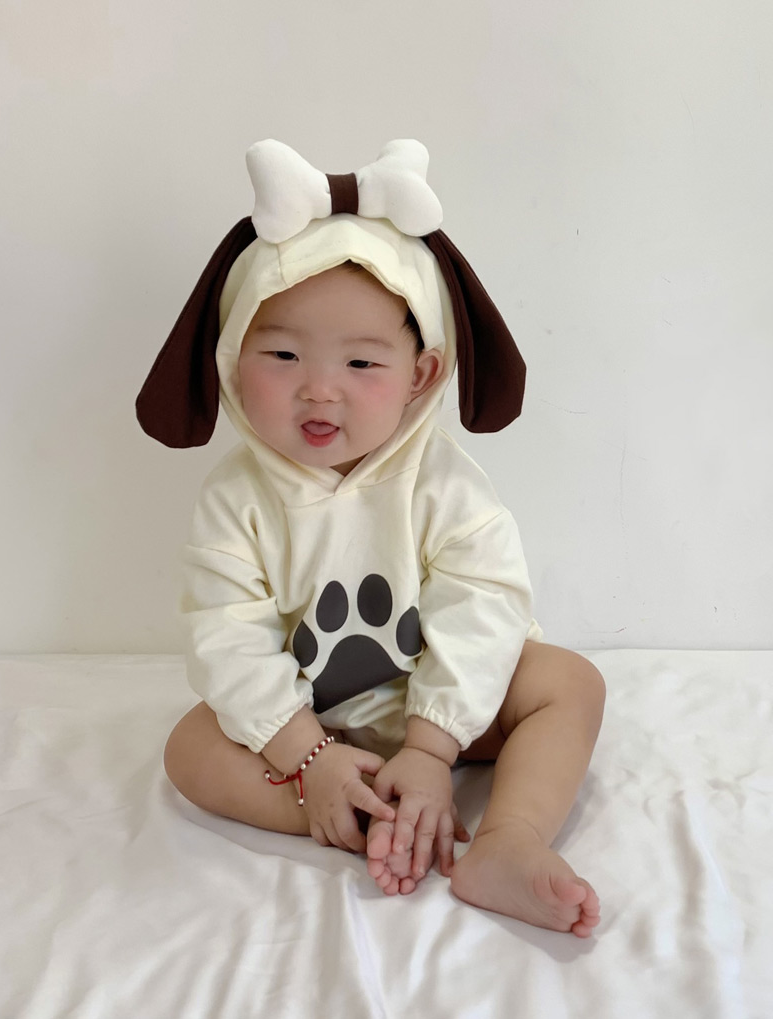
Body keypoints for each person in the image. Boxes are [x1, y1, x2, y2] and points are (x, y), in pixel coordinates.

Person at [137, 139, 605, 937]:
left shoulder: (442, 482)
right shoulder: (236, 500)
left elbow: (483, 602)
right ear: (232, 358)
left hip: (445, 704)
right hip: (316, 720)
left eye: (361, 363)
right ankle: (357, 814)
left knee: (570, 682)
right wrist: (307, 755)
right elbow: (226, 635)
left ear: (422, 374)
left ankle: (508, 838)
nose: (320, 389)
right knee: (190, 750)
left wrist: (431, 746)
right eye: (283, 354)